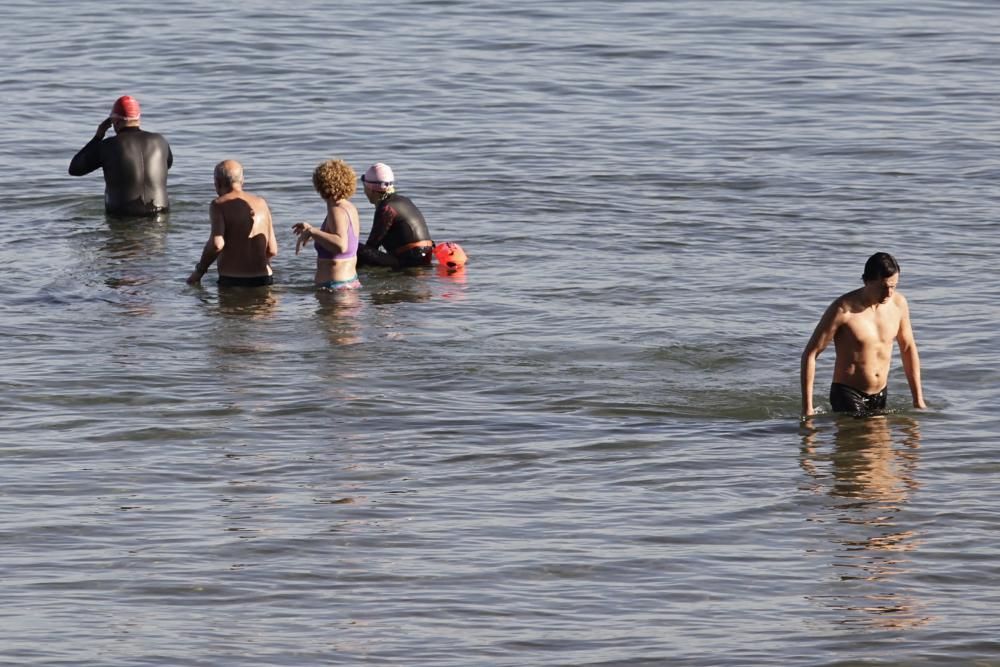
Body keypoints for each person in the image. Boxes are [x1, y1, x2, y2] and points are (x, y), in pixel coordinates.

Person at [801, 252, 927, 417]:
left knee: (882, 443)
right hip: (848, 394)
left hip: (880, 393)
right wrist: (807, 408)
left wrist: (918, 399)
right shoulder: (843, 310)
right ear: (867, 281)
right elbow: (810, 354)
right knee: (862, 440)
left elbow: (908, 348)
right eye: (884, 287)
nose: (889, 293)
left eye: (893, 286)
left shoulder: (898, 304)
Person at [69, 95, 173, 217]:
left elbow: (75, 169)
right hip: (160, 214)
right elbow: (168, 164)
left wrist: (97, 138)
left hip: (124, 217)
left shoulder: (108, 145)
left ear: (116, 122)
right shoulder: (160, 141)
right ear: (138, 118)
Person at [187, 160, 277, 287]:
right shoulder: (262, 203)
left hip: (233, 280)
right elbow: (272, 250)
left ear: (217, 182)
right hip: (264, 278)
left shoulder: (219, 204)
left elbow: (217, 244)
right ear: (242, 181)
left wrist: (199, 271)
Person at [291, 159, 362, 290]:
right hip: (349, 283)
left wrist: (313, 232)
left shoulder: (337, 210)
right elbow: (338, 237)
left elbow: (341, 245)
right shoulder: (348, 207)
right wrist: (312, 231)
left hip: (335, 288)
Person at [357, 163, 434, 269]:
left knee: (355, 248)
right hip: (424, 259)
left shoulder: (386, 208)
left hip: (409, 262)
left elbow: (372, 245)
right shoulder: (404, 200)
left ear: (370, 189)